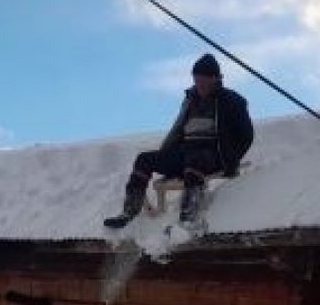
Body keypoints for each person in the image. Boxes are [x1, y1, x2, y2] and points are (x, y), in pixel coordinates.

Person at [104, 53, 254, 228]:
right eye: (196, 79)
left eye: (203, 80)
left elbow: (246, 135)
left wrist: (231, 160)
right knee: (143, 159)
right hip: (187, 153)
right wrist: (166, 152)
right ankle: (128, 212)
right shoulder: (190, 101)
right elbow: (178, 130)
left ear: (215, 78)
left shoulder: (232, 101)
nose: (199, 84)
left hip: (214, 156)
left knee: (195, 159)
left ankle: (188, 217)